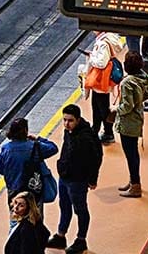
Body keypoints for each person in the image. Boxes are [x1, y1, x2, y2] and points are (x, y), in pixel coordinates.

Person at [45, 104, 101, 253]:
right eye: (64, 120)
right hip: (65, 176)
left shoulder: (86, 137)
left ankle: (81, 240)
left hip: (78, 179)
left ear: (78, 119)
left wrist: (93, 179)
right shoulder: (68, 131)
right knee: (64, 206)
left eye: (70, 120)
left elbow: (96, 158)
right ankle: (60, 235)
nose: (66, 124)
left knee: (80, 210)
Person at [0, 117, 59, 204]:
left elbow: (1, 170)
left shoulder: (6, 149)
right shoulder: (35, 146)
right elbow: (53, 148)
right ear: (25, 130)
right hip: (34, 190)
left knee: (16, 213)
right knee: (35, 215)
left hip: (14, 189)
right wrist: (38, 139)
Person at [114, 52, 148, 197]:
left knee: (131, 155)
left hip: (128, 122)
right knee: (133, 153)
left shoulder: (127, 82)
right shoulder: (143, 78)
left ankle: (135, 185)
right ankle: (133, 181)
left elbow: (127, 106)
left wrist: (116, 110)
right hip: (138, 119)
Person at [82, 32, 120, 143]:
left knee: (102, 109)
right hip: (101, 82)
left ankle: (108, 133)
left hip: (100, 81)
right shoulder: (106, 39)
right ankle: (96, 129)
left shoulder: (103, 43)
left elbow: (101, 63)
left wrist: (91, 57)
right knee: (97, 107)